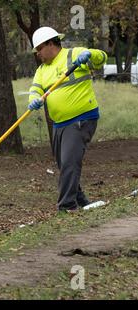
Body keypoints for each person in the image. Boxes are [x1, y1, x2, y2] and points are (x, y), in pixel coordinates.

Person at [27, 26, 107, 212]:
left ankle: (67, 206)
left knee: (70, 161)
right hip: (59, 123)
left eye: (39, 49)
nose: (38, 54)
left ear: (50, 43)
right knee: (64, 164)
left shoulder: (74, 54)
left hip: (81, 118)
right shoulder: (41, 70)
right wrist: (33, 100)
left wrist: (89, 55)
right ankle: (81, 200)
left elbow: (101, 57)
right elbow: (35, 89)